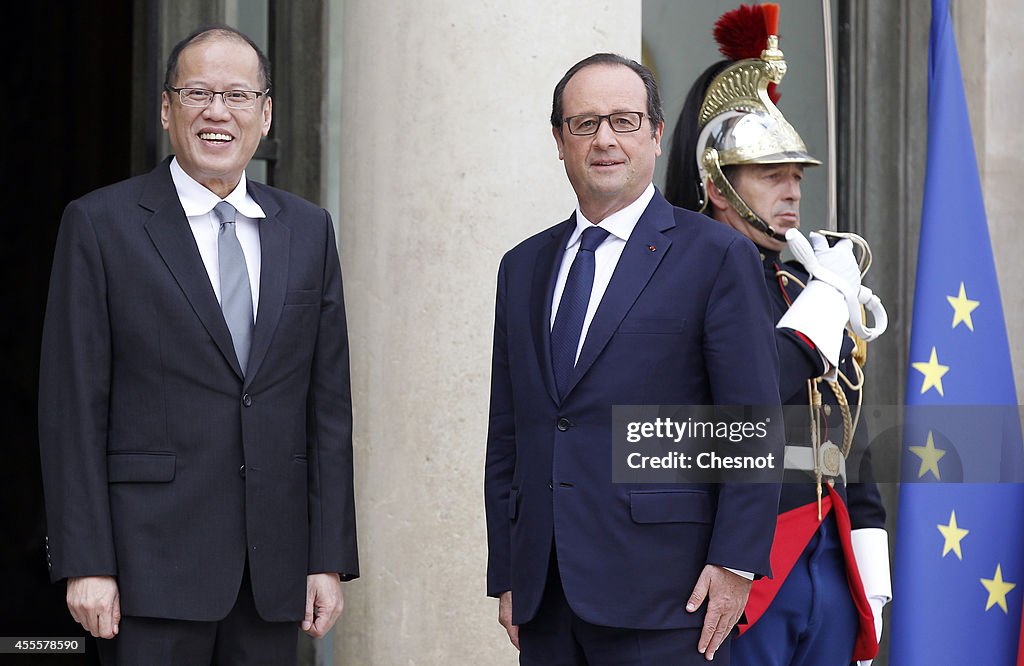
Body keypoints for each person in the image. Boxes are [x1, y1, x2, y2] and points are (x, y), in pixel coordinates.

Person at [38, 25, 358, 665]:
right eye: (197, 93)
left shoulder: (308, 229)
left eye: (239, 96)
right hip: (145, 569)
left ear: (265, 115)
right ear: (165, 109)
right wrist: (86, 561)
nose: (218, 113)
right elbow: (71, 406)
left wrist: (327, 556)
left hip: (273, 573)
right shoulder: (100, 225)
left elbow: (327, 406)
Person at [484, 52, 784, 665]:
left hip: (670, 595)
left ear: (655, 133)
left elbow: (751, 423)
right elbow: (510, 432)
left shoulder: (716, 256)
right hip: (547, 593)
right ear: (559, 141)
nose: (605, 140)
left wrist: (735, 563)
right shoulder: (522, 267)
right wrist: (509, 569)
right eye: (584, 123)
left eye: (623, 121)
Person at [663, 5, 891, 666]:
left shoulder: (801, 284)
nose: (791, 191)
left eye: (796, 175)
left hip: (827, 551)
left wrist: (869, 562)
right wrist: (825, 303)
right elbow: (756, 388)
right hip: (748, 557)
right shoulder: (688, 279)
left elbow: (848, 430)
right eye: (770, 175)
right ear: (717, 185)